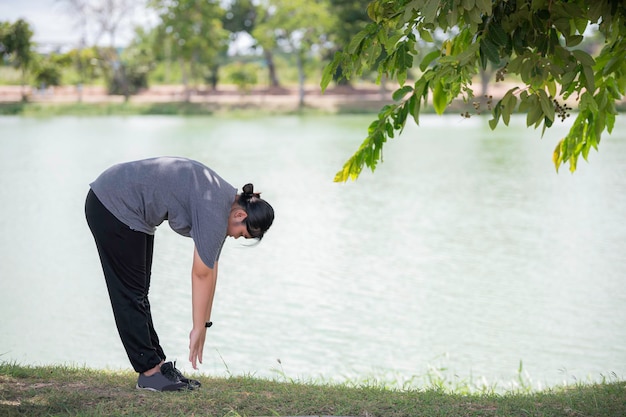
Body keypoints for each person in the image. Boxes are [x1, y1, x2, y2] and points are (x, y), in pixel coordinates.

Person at [85, 156, 274, 392]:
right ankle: (149, 373)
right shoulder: (215, 210)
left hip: (130, 209)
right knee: (130, 294)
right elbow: (201, 274)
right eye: (242, 234)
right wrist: (197, 329)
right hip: (113, 204)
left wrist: (203, 324)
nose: (236, 237)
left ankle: (157, 366)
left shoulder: (222, 199)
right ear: (240, 216)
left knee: (139, 292)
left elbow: (211, 269)